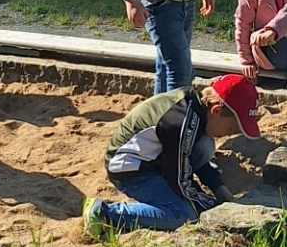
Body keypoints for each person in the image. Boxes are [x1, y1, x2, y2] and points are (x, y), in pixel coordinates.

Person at [83, 73, 262, 236]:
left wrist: (218, 187)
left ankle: (147, 208)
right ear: (216, 110)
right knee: (186, 216)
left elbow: (190, 159)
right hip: (131, 171)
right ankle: (106, 213)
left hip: (155, 160)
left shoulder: (196, 106)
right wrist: (209, 207)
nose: (230, 134)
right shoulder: (180, 123)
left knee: (205, 145)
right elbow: (178, 179)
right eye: (232, 128)